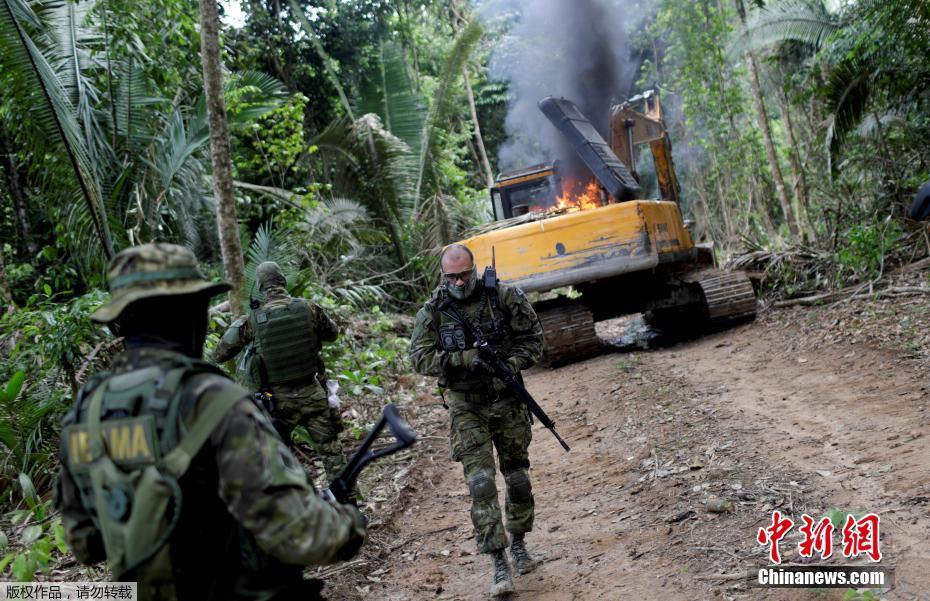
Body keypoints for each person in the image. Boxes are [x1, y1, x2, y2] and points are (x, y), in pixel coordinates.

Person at [55, 243, 365, 601]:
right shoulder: (213, 402)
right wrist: (349, 524)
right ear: (194, 313)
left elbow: (85, 544)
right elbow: (301, 535)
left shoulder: (87, 411)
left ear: (119, 325)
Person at [409, 244, 545, 597]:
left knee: (517, 478)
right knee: (481, 483)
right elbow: (419, 358)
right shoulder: (434, 310)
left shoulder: (504, 297)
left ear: (475, 269)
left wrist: (510, 365)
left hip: (507, 400)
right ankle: (498, 561)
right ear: (443, 276)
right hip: (466, 405)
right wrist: (461, 359)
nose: (458, 282)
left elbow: (533, 340)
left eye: (464, 274)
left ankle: (519, 543)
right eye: (451, 276)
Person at [213, 261, 350, 487]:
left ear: (260, 287)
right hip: (312, 393)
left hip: (275, 402)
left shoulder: (252, 320)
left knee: (274, 460)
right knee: (331, 452)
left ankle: (292, 502)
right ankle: (349, 502)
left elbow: (220, 354)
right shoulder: (309, 308)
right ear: (283, 281)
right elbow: (332, 334)